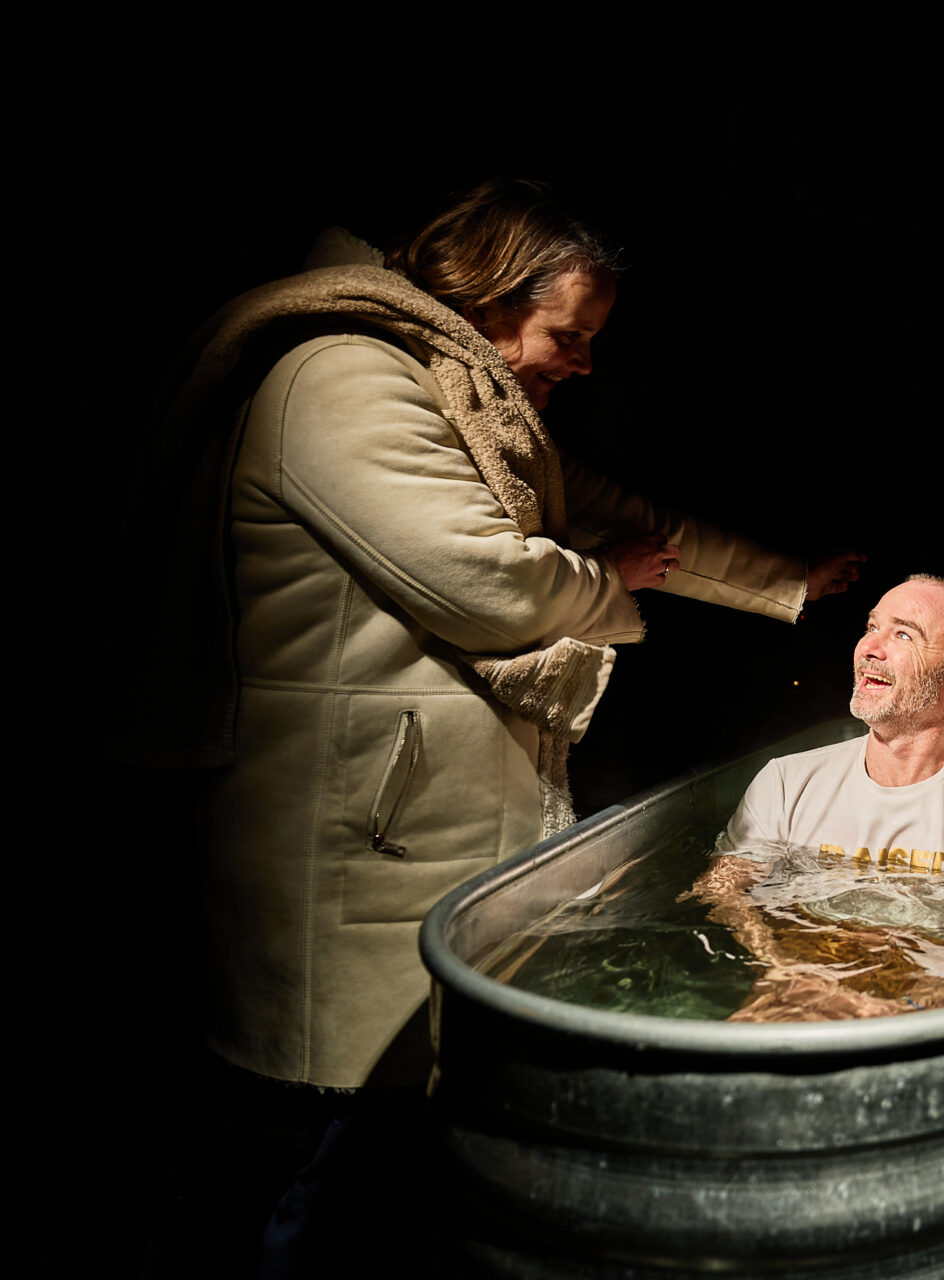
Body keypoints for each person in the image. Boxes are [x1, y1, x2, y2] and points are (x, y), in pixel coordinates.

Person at [148, 180, 861, 1271]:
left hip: (417, 831)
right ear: (487, 293)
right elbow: (482, 580)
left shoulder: (465, 399)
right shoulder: (342, 376)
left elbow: (630, 516)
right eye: (571, 333)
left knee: (398, 1149)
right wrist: (609, 582)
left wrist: (789, 582)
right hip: (349, 836)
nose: (585, 363)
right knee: (325, 1141)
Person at [686, 575, 944, 1020]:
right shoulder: (787, 781)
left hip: (930, 991)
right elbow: (719, 889)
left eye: (903, 634)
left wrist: (930, 993)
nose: (869, 647)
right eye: (872, 627)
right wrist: (782, 966)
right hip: (802, 977)